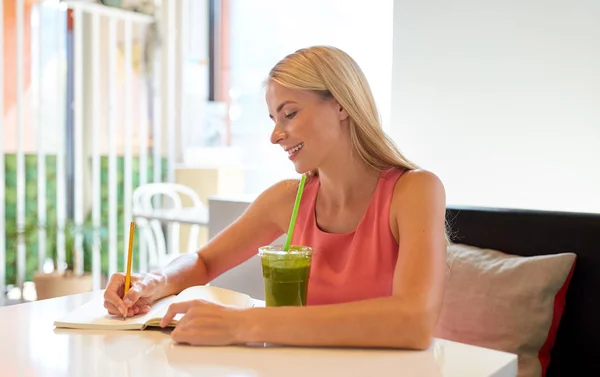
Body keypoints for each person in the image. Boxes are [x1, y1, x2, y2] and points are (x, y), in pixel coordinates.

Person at [103, 45, 447, 350]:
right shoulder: (287, 199)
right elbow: (204, 262)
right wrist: (154, 283)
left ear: (341, 105)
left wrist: (244, 323)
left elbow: (413, 322)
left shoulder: (415, 191)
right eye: (273, 118)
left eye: (290, 114)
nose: (275, 135)